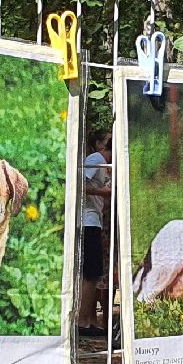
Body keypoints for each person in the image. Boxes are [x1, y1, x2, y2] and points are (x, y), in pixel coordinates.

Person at [77, 129, 112, 336]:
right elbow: (77, 183)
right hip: (87, 221)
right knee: (90, 273)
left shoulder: (102, 165)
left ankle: (88, 320)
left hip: (94, 221)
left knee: (93, 272)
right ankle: (82, 322)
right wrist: (103, 192)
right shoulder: (96, 158)